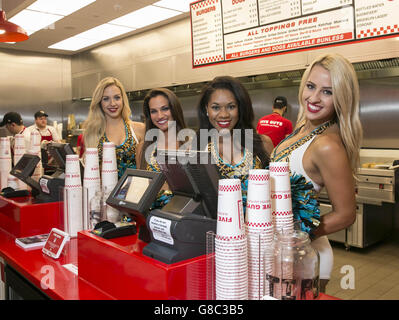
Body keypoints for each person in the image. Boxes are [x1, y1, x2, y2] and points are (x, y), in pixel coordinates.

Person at [270, 53, 363, 292]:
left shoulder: (327, 145)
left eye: (327, 92)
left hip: (305, 254)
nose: (314, 98)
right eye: (311, 86)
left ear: (342, 98)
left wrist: (296, 238)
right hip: (283, 250)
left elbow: (345, 215)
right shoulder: (303, 127)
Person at [196, 76, 272, 207]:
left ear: (240, 108)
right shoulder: (196, 149)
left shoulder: (263, 143)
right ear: (206, 109)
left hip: (259, 225)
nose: (224, 114)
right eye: (215, 107)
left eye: (231, 107)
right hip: (214, 226)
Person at [82, 77, 145, 178]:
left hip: (135, 192)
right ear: (99, 102)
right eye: (106, 99)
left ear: (123, 100)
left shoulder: (139, 129)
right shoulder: (92, 132)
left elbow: (147, 171)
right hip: (104, 192)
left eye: (117, 97)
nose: (112, 103)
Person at [137, 88, 188, 208]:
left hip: (181, 218)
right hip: (150, 218)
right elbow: (140, 189)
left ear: (174, 109)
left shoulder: (190, 147)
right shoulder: (142, 148)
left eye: (165, 109)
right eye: (154, 111)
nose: (159, 116)